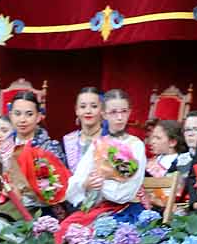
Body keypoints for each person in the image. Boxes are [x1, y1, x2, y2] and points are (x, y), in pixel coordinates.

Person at [61, 89, 145, 235]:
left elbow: (125, 193)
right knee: (64, 230)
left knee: (94, 234)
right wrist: (86, 183)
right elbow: (74, 183)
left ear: (129, 112)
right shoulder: (98, 144)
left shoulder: (135, 145)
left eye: (123, 111)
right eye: (113, 112)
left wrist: (100, 183)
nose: (119, 117)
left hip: (124, 210)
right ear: (104, 114)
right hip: (97, 208)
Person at [61, 86, 105, 172]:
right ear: (76, 110)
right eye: (83, 106)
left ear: (102, 110)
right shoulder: (68, 141)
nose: (88, 111)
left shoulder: (110, 139)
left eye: (94, 106)